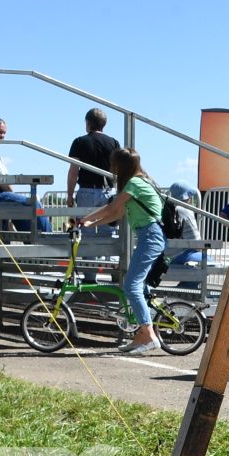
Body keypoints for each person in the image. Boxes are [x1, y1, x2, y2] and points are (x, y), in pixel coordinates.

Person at [76, 146, 166, 353]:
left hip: (150, 237)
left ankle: (149, 334)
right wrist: (92, 224)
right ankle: (141, 335)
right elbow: (118, 213)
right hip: (149, 236)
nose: (112, 168)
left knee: (131, 286)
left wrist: (86, 219)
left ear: (120, 166)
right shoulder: (140, 181)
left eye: (114, 164)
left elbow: (111, 208)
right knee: (137, 286)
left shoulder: (134, 183)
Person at [65, 107, 121, 218]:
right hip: (108, 191)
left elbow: (73, 172)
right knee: (108, 232)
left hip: (86, 191)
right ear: (104, 124)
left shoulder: (79, 142)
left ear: (88, 123)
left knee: (85, 229)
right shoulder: (114, 143)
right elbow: (118, 172)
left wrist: (70, 195)